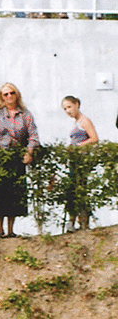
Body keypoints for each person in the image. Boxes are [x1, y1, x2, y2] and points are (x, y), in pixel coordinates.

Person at [0, 83, 40, 239]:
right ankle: (0, 230)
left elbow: (33, 136)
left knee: (14, 194)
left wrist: (29, 152)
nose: (9, 96)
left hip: (16, 157)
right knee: (0, 193)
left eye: (11, 93)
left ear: (17, 94)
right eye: (5, 94)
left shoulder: (25, 114)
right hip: (0, 155)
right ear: (1, 97)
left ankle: (11, 230)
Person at [61, 96, 98, 231]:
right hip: (74, 161)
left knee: (78, 189)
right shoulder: (76, 122)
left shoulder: (84, 121)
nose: (68, 111)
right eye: (65, 109)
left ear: (77, 104)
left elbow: (94, 138)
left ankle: (82, 221)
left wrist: (78, 146)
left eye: (69, 107)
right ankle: (75, 221)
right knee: (73, 190)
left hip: (81, 161)